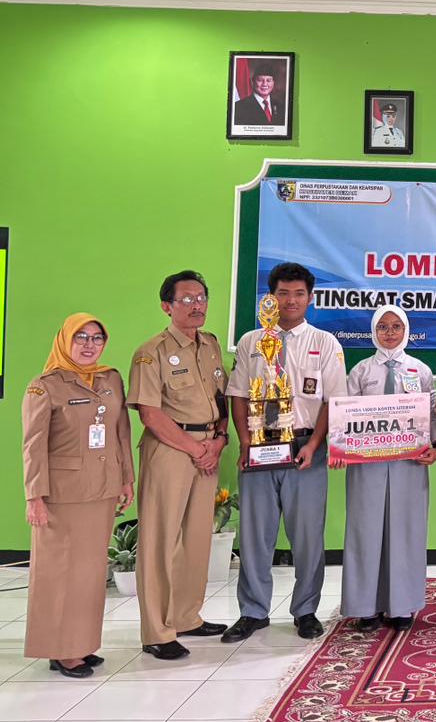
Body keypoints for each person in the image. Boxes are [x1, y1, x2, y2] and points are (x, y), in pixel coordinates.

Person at [223, 261, 347, 644]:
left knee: (307, 536)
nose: (290, 300)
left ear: (310, 298)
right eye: (283, 293)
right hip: (259, 450)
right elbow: (238, 395)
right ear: (270, 297)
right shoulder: (251, 342)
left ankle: (305, 610)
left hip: (306, 450)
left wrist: (314, 444)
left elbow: (332, 400)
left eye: (298, 294)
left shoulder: (325, 343)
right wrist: (245, 442)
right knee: (255, 535)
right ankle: (253, 611)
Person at [22, 314, 134, 678]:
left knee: (89, 574)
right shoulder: (45, 386)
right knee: (59, 574)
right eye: (81, 337)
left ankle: (81, 644)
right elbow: (33, 446)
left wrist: (126, 479)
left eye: (97, 338)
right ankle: (60, 650)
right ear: (65, 340)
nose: (89, 344)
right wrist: (34, 496)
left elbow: (120, 432)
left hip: (102, 489)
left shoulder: (110, 379)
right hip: (62, 495)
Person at [128, 271, 230, 660]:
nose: (196, 305)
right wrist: (194, 448)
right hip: (170, 450)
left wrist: (218, 442)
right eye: (186, 299)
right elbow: (150, 414)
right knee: (160, 540)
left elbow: (221, 400)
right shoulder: (150, 352)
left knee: (197, 537)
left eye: (201, 297)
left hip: (208, 448)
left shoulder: (211, 346)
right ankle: (157, 631)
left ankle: (186, 616)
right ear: (166, 306)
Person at [335, 304, 436, 631]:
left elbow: (433, 414)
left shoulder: (420, 371)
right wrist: (339, 448)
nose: (390, 332)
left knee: (406, 531)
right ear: (374, 331)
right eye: (383, 326)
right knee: (365, 531)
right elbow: (345, 416)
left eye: (397, 326)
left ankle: (402, 606)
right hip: (366, 466)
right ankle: (366, 607)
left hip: (409, 464)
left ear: (406, 330)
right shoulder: (361, 371)